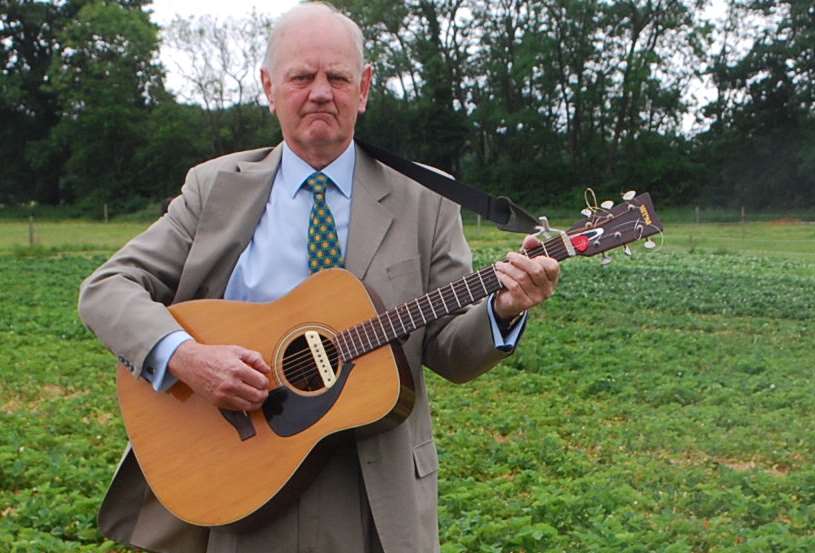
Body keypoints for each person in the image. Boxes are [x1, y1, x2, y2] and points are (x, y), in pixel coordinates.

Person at [78, 3, 560, 553]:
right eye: (302, 77)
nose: (321, 93)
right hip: (242, 476)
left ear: (365, 87)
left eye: (338, 77)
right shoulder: (215, 189)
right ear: (268, 86)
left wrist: (503, 310)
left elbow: (449, 349)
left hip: (373, 490)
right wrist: (187, 357)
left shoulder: (428, 198)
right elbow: (107, 288)